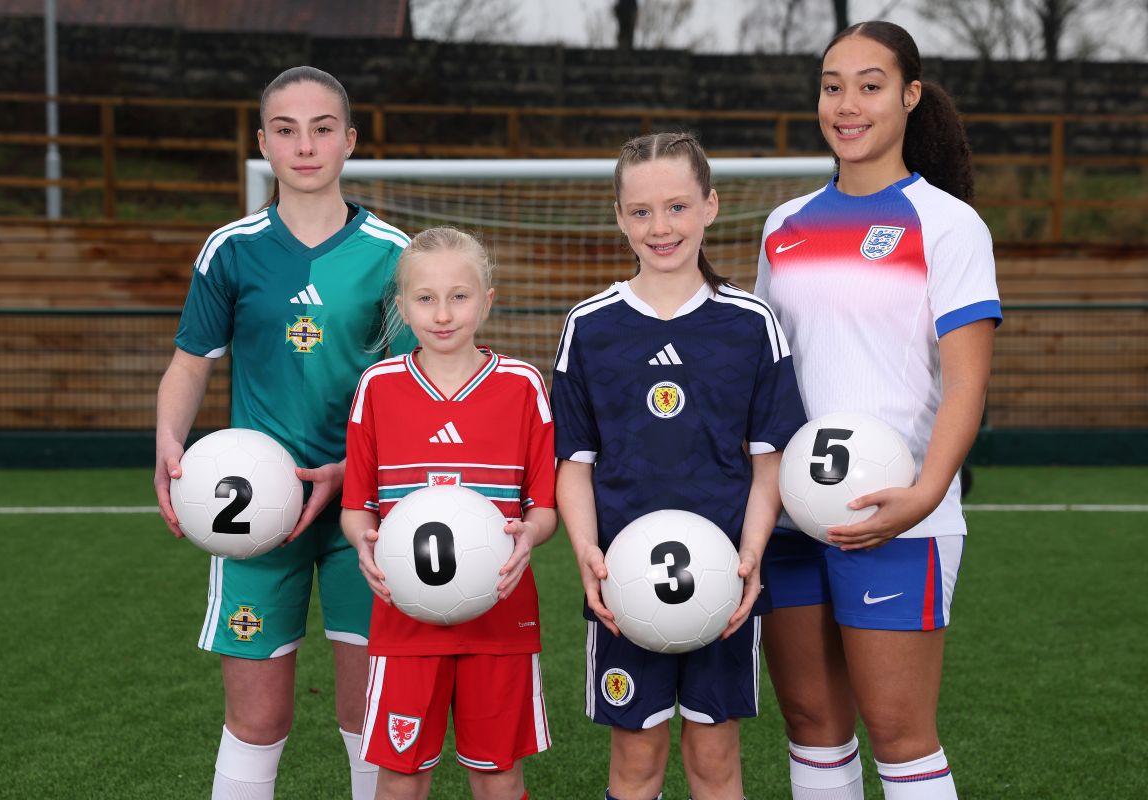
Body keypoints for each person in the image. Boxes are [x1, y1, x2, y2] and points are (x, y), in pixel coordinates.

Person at [754, 21, 1001, 800]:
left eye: (869, 85)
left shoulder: (949, 224)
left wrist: (925, 495)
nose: (847, 104)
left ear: (910, 96)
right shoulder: (783, 226)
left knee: (898, 732)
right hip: (794, 517)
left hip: (902, 512)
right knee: (812, 726)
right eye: (833, 86)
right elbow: (770, 374)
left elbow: (967, 383)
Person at [154, 66, 413, 800]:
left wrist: (350, 467)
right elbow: (189, 365)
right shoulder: (230, 250)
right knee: (258, 716)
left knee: (369, 712)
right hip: (254, 514)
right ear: (264, 142)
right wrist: (168, 442)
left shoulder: (393, 254)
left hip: (365, 508)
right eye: (288, 130)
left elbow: (408, 393)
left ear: (350, 140)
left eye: (323, 128)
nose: (306, 145)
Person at [553, 132, 807, 800]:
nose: (660, 227)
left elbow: (770, 462)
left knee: (715, 758)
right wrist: (586, 553)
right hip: (625, 586)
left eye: (676, 207)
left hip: (725, 583)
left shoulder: (751, 324)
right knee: (636, 761)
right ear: (618, 217)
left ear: (710, 206)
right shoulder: (591, 325)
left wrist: (751, 559)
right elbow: (574, 464)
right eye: (641, 211)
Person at [341, 226, 557, 800]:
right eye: (425, 298)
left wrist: (528, 535)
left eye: (459, 296)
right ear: (402, 305)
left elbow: (545, 508)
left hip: (501, 619)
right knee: (401, 775)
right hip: (403, 619)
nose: (442, 314)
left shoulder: (522, 385)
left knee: (498, 772)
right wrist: (364, 541)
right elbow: (356, 505)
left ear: (487, 299)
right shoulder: (378, 387)